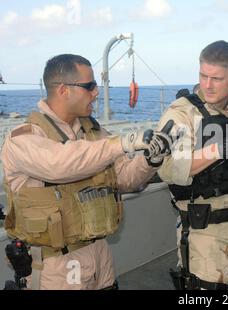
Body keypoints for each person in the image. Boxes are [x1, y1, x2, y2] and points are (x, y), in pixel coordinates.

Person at [0, 54, 173, 290]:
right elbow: (59, 164)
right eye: (90, 86)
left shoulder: (94, 133)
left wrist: (151, 160)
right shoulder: (24, 137)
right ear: (63, 90)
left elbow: (123, 179)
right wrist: (123, 142)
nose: (96, 92)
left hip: (98, 253)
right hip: (56, 265)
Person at [157, 41, 228, 290]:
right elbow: (167, 168)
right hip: (206, 232)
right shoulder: (182, 113)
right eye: (203, 76)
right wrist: (219, 149)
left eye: (217, 78)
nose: (207, 85)